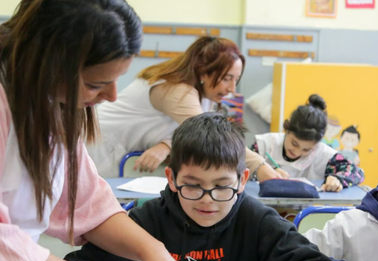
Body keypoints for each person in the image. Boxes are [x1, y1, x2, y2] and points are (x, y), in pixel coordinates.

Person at [0, 1, 191, 261]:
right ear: (48, 62)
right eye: (96, 84)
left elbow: (86, 203)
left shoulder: (49, 100)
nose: (112, 96)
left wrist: (152, 250)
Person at [53, 113, 338, 261]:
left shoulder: (257, 220)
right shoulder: (148, 222)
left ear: (242, 180)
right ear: (172, 178)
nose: (207, 200)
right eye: (193, 185)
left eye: (221, 186)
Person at [86, 36, 281, 181]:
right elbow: (213, 136)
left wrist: (166, 144)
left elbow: (190, 130)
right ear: (204, 71)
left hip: (121, 155)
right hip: (99, 147)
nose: (231, 89)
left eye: (236, 80)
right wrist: (261, 168)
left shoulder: (204, 94)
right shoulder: (178, 90)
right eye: (227, 78)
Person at [251, 94, 364, 192]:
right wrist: (262, 170)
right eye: (294, 143)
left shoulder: (324, 154)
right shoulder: (264, 145)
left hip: (306, 213)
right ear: (287, 129)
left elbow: (357, 172)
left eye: (306, 149)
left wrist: (337, 179)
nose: (297, 151)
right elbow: (238, 168)